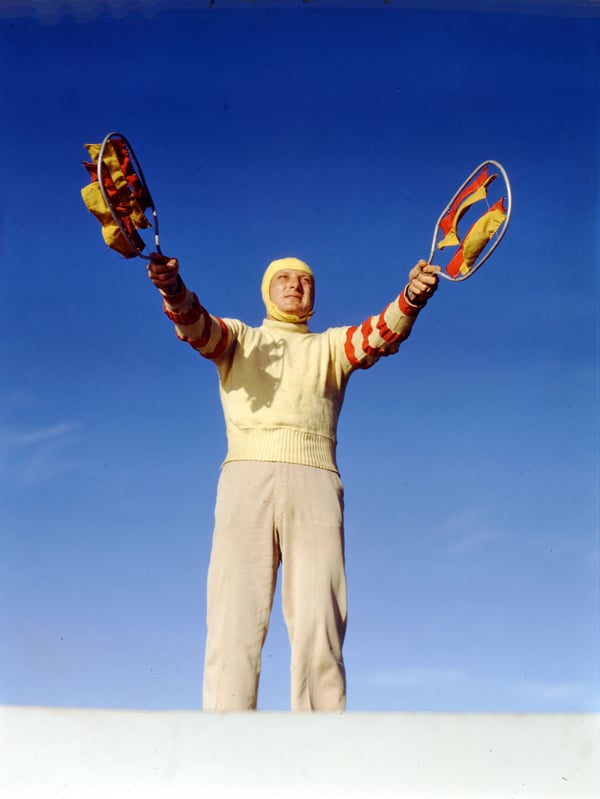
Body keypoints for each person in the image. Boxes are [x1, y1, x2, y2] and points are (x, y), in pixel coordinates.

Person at [147, 253, 439, 711]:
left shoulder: (331, 346)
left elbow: (381, 334)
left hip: (316, 480)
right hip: (246, 478)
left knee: (319, 623)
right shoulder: (241, 338)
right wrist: (171, 287)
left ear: (314, 295)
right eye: (283, 278)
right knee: (233, 619)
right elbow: (197, 327)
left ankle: (321, 747)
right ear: (267, 289)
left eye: (305, 280)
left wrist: (412, 298)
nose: (294, 286)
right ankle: (224, 744)